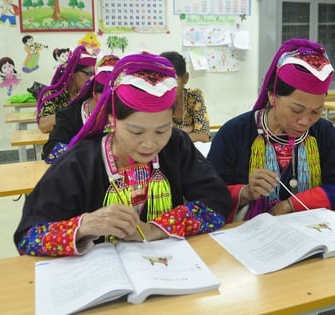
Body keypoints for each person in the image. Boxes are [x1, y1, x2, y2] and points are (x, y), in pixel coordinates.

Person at [14, 52, 232, 256]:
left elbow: (216, 202)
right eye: (135, 131)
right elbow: (28, 237)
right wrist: (83, 226)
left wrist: (154, 229)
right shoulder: (79, 163)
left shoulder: (176, 145)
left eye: (162, 130)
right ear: (111, 118)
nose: (150, 143)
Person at [206, 38, 335, 222]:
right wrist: (245, 192)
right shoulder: (235, 132)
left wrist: (289, 205)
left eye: (316, 111)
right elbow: (207, 196)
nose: (305, 121)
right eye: (296, 110)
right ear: (272, 96)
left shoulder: (323, 132)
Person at [42, 54, 120, 163]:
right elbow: (51, 150)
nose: (117, 105)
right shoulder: (71, 115)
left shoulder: (126, 114)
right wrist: (93, 154)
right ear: (95, 94)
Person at [35, 45, 96, 133]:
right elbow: (44, 126)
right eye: (88, 74)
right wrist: (78, 114)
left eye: (94, 75)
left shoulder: (91, 95)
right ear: (72, 73)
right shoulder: (53, 94)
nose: (91, 79)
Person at [160, 51, 211, 143]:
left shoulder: (194, 96)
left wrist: (175, 135)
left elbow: (204, 136)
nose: (168, 87)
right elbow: (160, 139)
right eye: (162, 81)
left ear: (185, 78)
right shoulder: (155, 101)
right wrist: (187, 131)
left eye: (173, 80)